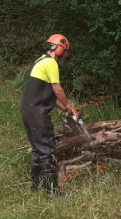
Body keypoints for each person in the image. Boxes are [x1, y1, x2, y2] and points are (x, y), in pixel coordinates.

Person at [20, 33, 79, 199]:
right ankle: (53, 193)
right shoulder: (51, 63)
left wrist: (67, 110)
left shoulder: (39, 61)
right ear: (59, 48)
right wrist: (67, 105)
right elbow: (57, 90)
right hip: (38, 113)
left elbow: (49, 97)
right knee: (47, 150)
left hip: (28, 110)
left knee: (38, 150)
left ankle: (36, 189)